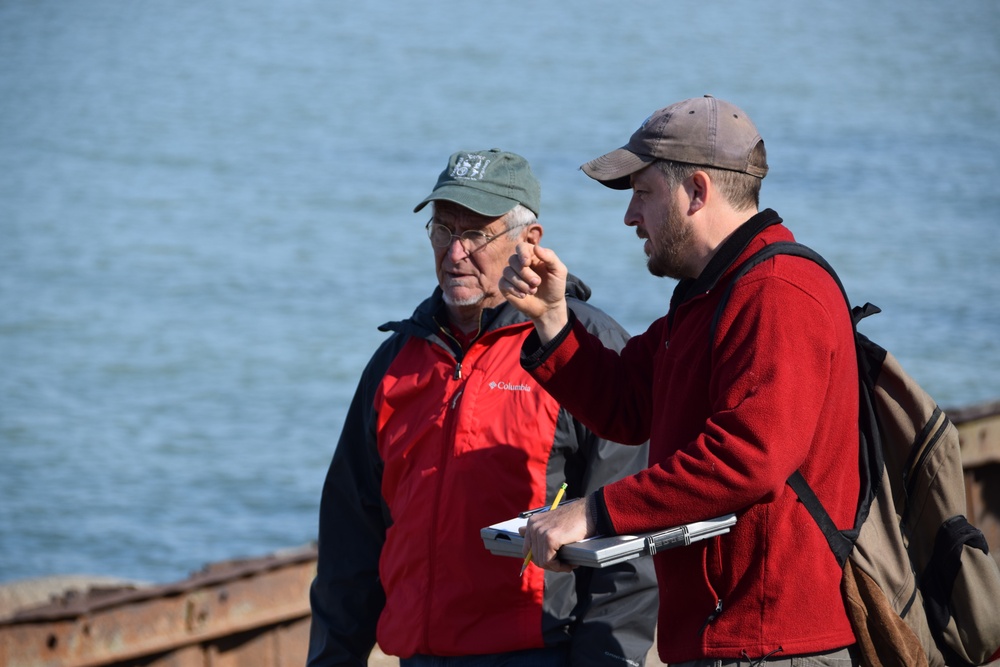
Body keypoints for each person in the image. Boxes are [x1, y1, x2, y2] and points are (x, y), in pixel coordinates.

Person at [500, 97, 862, 666]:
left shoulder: (778, 292)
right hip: (725, 639)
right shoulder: (710, 294)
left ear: (696, 191)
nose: (629, 216)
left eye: (642, 193)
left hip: (772, 644)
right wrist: (551, 319)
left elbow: (748, 457)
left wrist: (591, 513)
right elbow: (627, 405)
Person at [307, 148, 658, 667]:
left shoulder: (589, 351)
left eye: (476, 235)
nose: (454, 254)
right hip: (419, 656)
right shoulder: (395, 360)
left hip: (539, 653)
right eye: (443, 230)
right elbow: (349, 542)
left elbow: (628, 548)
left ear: (530, 242)